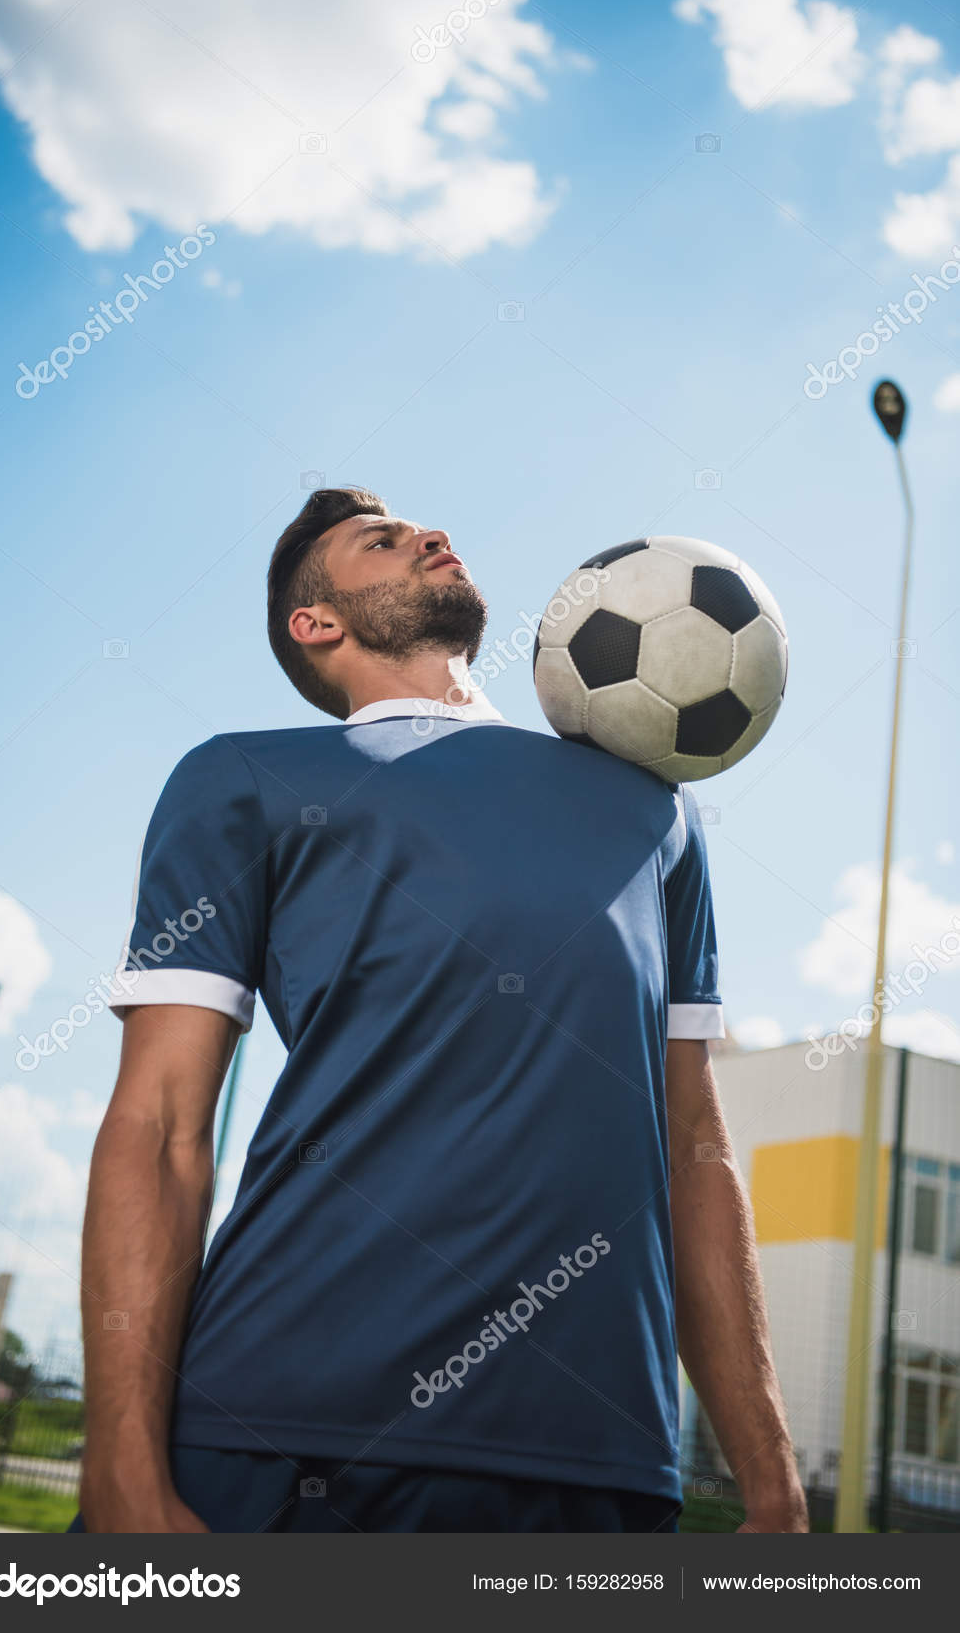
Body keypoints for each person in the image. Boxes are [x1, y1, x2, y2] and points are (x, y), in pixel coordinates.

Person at [69, 486, 807, 1535]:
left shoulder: (655, 811)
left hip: (598, 1459)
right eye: (382, 539)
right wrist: (122, 1465)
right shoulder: (246, 779)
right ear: (314, 622)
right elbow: (159, 1128)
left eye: (426, 527)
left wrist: (770, 1473)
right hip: (284, 1431)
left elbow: (696, 1147)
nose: (432, 533)